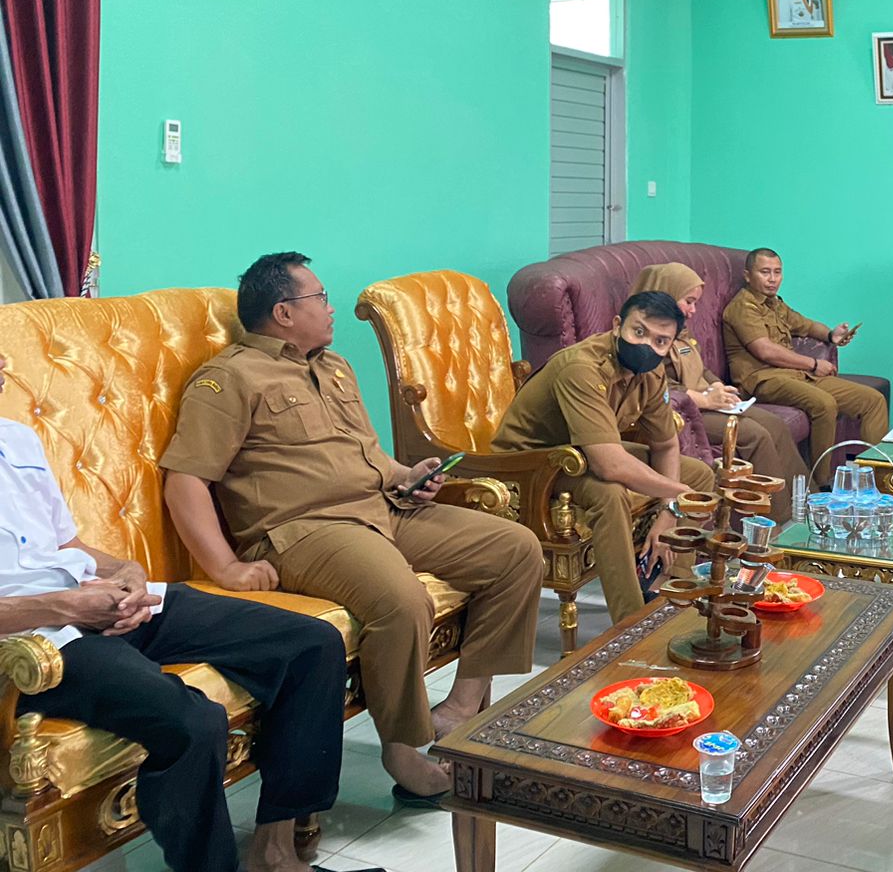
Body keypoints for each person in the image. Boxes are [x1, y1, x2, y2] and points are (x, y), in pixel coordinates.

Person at [160, 252, 542, 807]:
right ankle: (405, 746)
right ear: (284, 312)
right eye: (319, 297)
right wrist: (227, 566)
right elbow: (185, 481)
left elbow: (365, 455)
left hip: (383, 508)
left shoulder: (334, 367)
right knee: (400, 600)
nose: (330, 307)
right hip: (307, 530)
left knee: (515, 548)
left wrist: (407, 476)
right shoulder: (229, 378)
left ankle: (463, 703)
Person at [0, 357, 364, 872]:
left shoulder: (15, 437)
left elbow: (68, 545)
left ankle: (276, 853)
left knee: (311, 644)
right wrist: (61, 605)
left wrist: (125, 570)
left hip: (98, 600)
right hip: (33, 643)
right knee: (192, 719)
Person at [494, 290, 717, 622]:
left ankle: (668, 589)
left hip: (583, 450)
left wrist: (670, 512)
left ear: (670, 346)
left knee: (698, 474)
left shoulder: (652, 373)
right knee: (609, 493)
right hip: (530, 461)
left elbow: (666, 445)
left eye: (659, 341)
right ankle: (631, 623)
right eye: (638, 331)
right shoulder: (581, 367)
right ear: (617, 326)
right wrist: (678, 494)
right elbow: (608, 464)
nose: (645, 345)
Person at [627, 263, 807, 507]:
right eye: (688, 301)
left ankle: (805, 502)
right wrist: (704, 399)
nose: (692, 310)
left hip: (709, 400)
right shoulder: (645, 336)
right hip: (686, 410)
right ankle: (777, 519)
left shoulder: (681, 331)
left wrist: (719, 387)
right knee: (755, 435)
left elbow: (702, 368)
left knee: (774, 424)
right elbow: (656, 387)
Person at [723, 248, 887, 477]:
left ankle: (879, 482)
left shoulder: (775, 304)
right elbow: (765, 351)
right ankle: (822, 484)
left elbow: (805, 325)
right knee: (824, 404)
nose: (772, 279)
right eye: (765, 272)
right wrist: (812, 363)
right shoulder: (742, 307)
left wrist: (831, 335)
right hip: (763, 380)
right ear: (748, 275)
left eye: (777, 272)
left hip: (795, 376)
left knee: (873, 401)